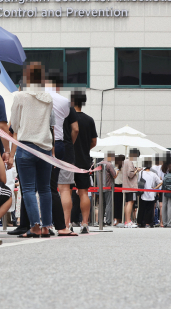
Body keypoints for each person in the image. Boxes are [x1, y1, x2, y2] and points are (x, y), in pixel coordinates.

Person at [11, 63, 54, 238]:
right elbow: (51, 123)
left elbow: (14, 124)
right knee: (45, 189)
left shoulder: (20, 96)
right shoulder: (48, 98)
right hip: (45, 147)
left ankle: (34, 226)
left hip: (26, 146)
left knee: (28, 188)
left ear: (27, 76)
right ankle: (46, 226)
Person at [46, 72, 75, 235]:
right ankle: (63, 224)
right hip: (59, 142)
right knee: (59, 187)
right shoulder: (64, 102)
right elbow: (74, 127)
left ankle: (43, 223)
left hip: (40, 142)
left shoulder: (38, 97)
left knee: (38, 187)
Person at [70, 90, 97, 234]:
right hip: (84, 160)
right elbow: (94, 141)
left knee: (66, 192)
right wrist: (85, 148)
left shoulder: (67, 118)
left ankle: (67, 223)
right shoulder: (89, 120)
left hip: (68, 160)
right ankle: (85, 223)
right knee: (83, 193)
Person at [136, 161, 162, 228]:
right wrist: (155, 188)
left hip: (143, 193)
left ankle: (141, 223)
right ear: (150, 166)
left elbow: (138, 182)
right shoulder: (153, 174)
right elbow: (160, 182)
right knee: (150, 209)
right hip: (151, 193)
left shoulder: (141, 173)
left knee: (142, 208)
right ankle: (149, 223)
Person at [123, 149, 142, 228]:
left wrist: (134, 169)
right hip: (131, 186)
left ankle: (127, 221)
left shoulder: (125, 161)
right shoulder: (130, 162)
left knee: (127, 203)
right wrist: (137, 170)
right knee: (130, 203)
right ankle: (128, 221)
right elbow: (130, 174)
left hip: (126, 186)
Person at [99, 151, 117, 226]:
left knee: (101, 204)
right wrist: (117, 171)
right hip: (108, 187)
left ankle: (100, 221)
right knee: (108, 204)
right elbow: (114, 175)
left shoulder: (99, 164)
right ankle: (108, 221)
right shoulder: (109, 165)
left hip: (100, 187)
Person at [159, 159, 171, 227]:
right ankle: (170, 222)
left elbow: (160, 178)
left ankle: (165, 222)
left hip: (164, 188)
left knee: (164, 205)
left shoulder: (162, 167)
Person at [113, 154, 125, 226]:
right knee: (121, 203)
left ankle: (115, 219)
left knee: (116, 203)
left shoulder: (115, 168)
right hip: (122, 186)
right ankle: (120, 219)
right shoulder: (124, 168)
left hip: (115, 186)